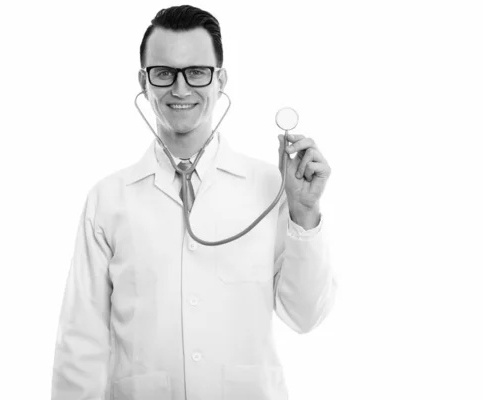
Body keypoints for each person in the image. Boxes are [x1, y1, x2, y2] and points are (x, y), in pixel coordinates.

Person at [51, 5, 336, 400]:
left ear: (221, 79)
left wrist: (304, 213)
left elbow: (305, 317)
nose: (180, 89)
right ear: (143, 81)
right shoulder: (109, 199)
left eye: (197, 72)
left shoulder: (272, 187)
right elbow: (81, 342)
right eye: (164, 73)